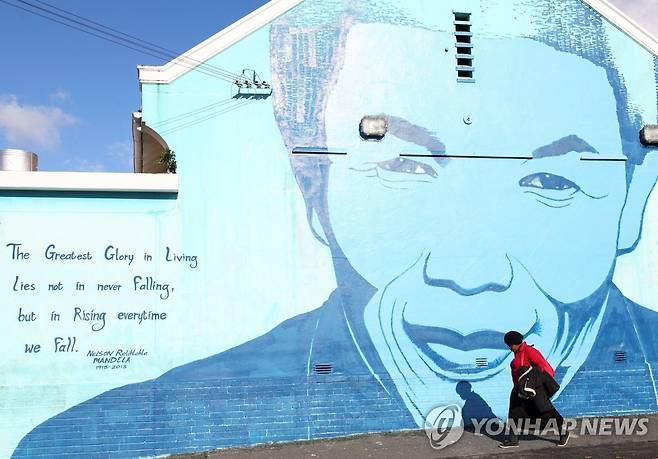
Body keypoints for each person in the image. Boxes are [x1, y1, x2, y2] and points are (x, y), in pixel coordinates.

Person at [12, 0, 658, 457]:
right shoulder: (88, 433)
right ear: (311, 189)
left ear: (633, 201)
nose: (472, 268)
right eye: (404, 167)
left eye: (551, 182)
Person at [499, 331, 568, 448]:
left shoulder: (530, 351)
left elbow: (546, 368)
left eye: (510, 345)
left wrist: (537, 385)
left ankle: (564, 433)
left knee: (547, 413)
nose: (509, 348)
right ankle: (513, 440)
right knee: (514, 414)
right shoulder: (517, 354)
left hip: (534, 392)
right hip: (519, 390)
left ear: (516, 343)